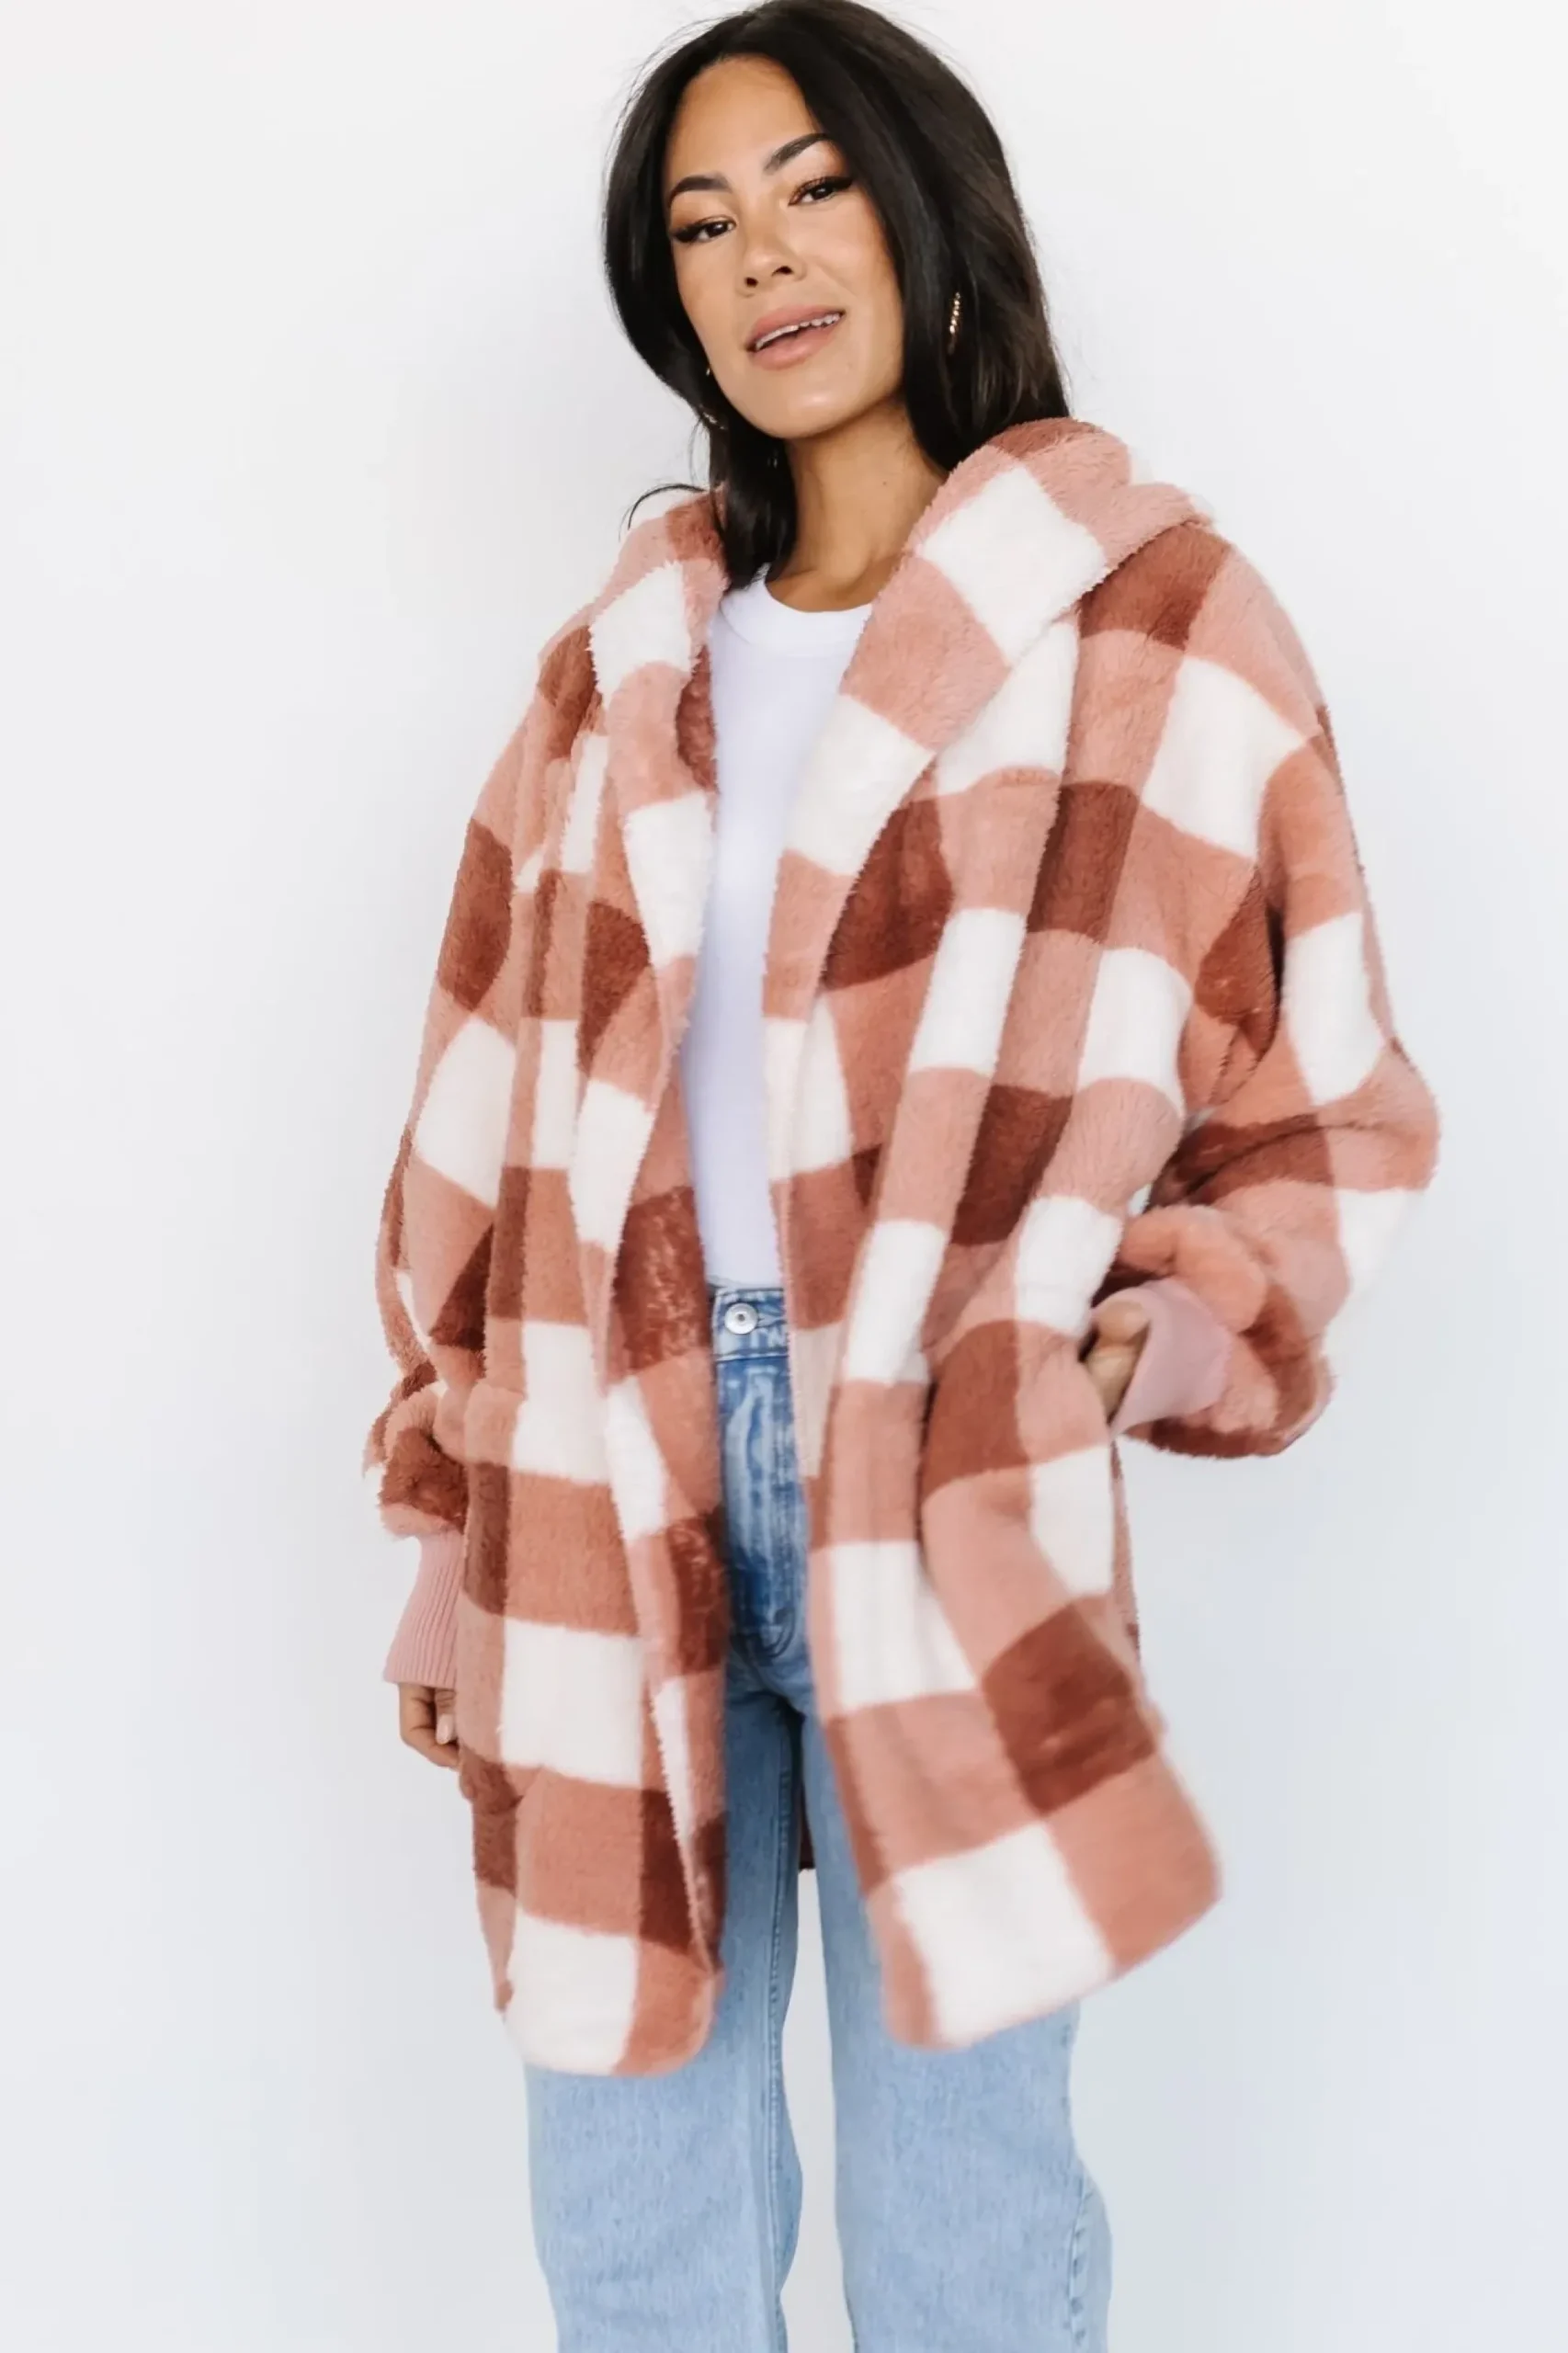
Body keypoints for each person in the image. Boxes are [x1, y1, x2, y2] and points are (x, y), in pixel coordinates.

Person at [363, 4, 1441, 2345]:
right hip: (600, 1476)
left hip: (948, 1470)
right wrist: (449, 1524)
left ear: (927, 207)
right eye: (701, 223)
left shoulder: (1153, 622)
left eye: (812, 187)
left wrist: (1173, 1327)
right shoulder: (609, 673)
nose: (762, 257)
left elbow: (1325, 1094)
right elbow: (479, 1119)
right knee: (631, 2219)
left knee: (964, 2219)